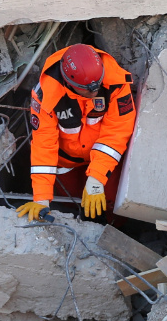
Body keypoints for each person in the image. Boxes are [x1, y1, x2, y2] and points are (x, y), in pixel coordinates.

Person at [16, 43, 136, 221]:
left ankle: (114, 229)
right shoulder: (46, 95)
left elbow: (117, 132)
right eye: (88, 90)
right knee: (70, 201)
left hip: (104, 157)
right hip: (66, 162)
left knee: (112, 201)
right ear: (68, 82)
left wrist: (97, 177)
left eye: (97, 87)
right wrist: (41, 198)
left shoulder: (116, 82)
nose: (95, 93)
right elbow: (44, 145)